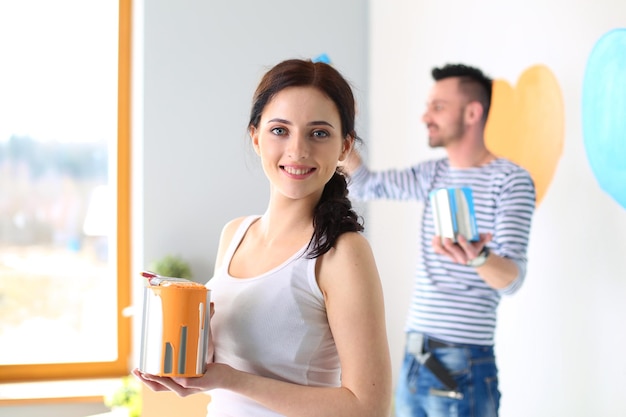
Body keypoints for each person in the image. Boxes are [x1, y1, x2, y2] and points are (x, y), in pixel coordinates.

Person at [133, 58, 393, 417]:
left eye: (319, 133)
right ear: (255, 137)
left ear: (345, 148)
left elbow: (369, 407)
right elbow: (226, 366)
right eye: (279, 130)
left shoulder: (342, 253)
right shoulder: (235, 234)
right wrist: (192, 362)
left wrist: (232, 380)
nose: (298, 150)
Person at [341, 63, 536, 417]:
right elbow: (366, 183)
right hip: (415, 354)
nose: (425, 117)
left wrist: (477, 258)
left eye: (438, 107)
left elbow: (512, 279)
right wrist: (342, 128)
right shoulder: (433, 173)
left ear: (473, 112)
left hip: (463, 361)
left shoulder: (510, 181)